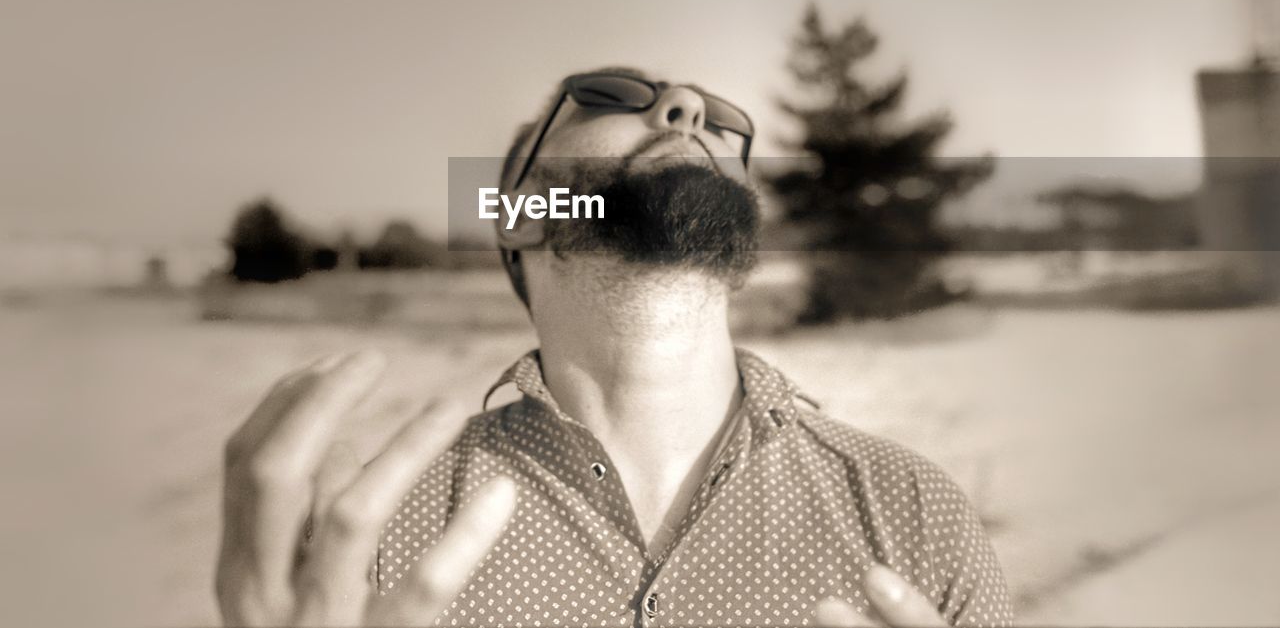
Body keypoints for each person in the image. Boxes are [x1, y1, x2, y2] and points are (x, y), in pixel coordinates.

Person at [216, 68, 1013, 627]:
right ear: (524, 213)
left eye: (725, 123)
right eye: (610, 92)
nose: (688, 107)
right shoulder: (380, 535)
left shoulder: (914, 510)